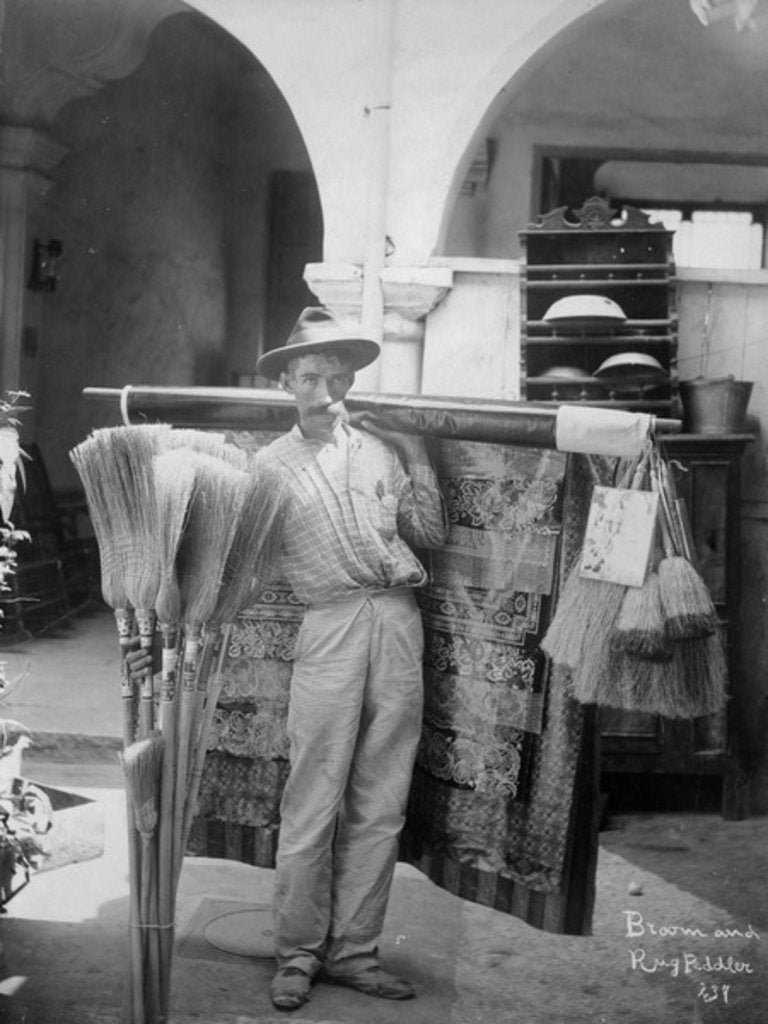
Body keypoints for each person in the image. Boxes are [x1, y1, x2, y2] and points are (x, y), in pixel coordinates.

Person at [252, 307, 447, 1011]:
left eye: (338, 376)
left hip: (396, 621)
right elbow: (247, 568)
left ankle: (357, 954)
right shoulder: (266, 471)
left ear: (353, 380)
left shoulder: (378, 453)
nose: (326, 391)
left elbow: (428, 532)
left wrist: (417, 454)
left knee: (381, 795)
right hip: (329, 626)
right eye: (310, 376)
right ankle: (298, 954)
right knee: (313, 798)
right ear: (285, 384)